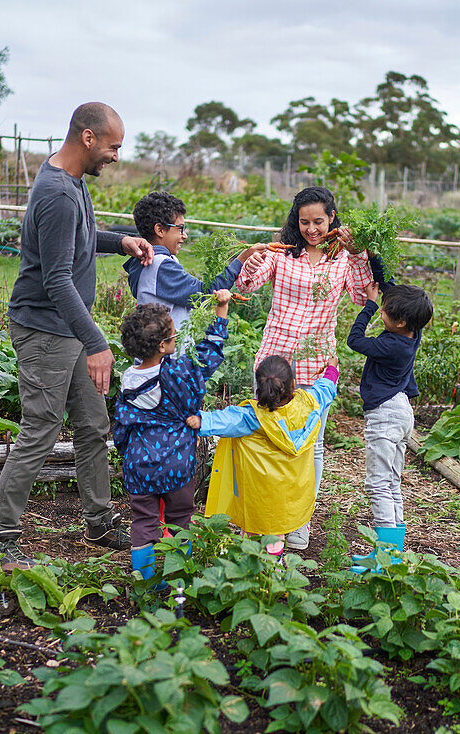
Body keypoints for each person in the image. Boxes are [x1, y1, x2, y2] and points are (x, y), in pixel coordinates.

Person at [0, 102, 154, 570]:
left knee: (94, 426)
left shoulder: (70, 179)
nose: (117, 155)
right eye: (114, 146)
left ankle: (98, 522)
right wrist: (97, 342)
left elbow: (81, 235)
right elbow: (56, 278)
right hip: (44, 329)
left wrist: (120, 240)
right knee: (41, 429)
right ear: (89, 138)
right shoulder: (57, 192)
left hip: (68, 329)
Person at [235, 186, 373, 549]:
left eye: (318, 221)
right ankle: (261, 521)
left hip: (317, 362)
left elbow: (362, 297)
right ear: (296, 222)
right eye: (304, 222)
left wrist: (359, 254)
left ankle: (298, 523)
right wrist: (249, 261)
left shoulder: (343, 256)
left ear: (331, 217)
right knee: (263, 437)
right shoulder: (283, 251)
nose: (311, 229)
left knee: (311, 445)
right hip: (275, 359)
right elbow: (247, 284)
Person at [113, 291, 233, 584]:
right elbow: (208, 358)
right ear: (163, 346)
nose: (176, 336)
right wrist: (221, 311)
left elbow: (120, 428)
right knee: (181, 517)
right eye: (172, 334)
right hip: (176, 462)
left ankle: (145, 583)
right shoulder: (178, 374)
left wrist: (128, 453)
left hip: (139, 465)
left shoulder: (128, 380)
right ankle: (179, 577)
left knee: (144, 521)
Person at [186, 355, 338, 555]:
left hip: (256, 499)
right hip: (288, 499)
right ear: (293, 383)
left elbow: (221, 420)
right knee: (275, 538)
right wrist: (332, 369)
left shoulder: (251, 417)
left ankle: (251, 576)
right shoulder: (310, 404)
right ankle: (272, 574)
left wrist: (197, 420)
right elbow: (325, 389)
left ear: (259, 387)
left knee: (252, 536)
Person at [345, 282, 433, 572]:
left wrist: (368, 307)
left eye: (384, 311)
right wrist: (374, 260)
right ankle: (391, 555)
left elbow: (355, 340)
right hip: (402, 412)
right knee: (392, 483)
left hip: (385, 415)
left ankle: (384, 560)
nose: (381, 309)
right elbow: (392, 289)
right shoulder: (412, 334)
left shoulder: (390, 345)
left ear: (402, 321)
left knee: (379, 484)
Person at [124, 191, 266, 336]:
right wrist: (242, 259)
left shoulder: (151, 260)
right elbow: (203, 293)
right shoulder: (159, 264)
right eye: (180, 229)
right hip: (165, 356)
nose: (184, 235)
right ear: (160, 229)